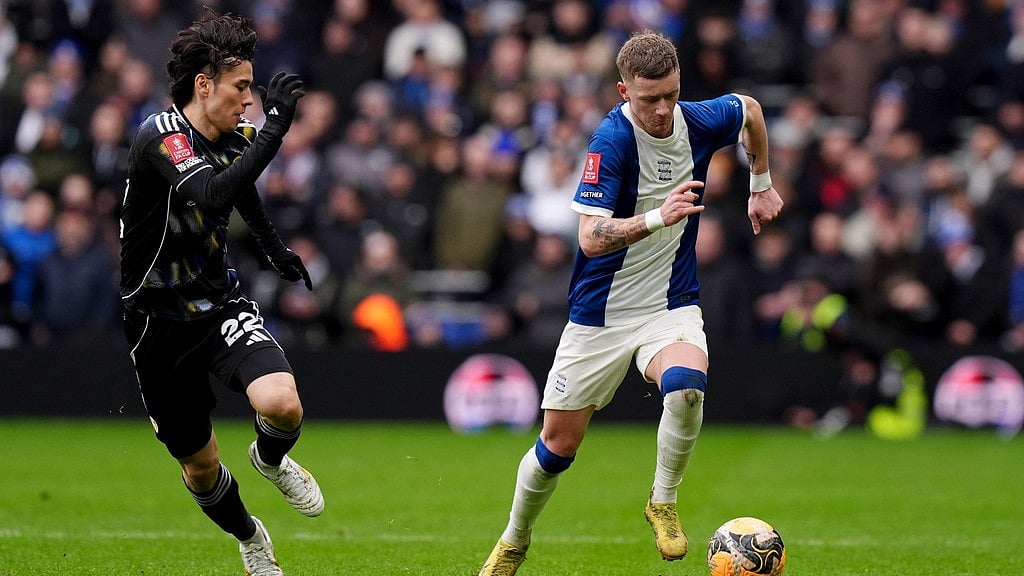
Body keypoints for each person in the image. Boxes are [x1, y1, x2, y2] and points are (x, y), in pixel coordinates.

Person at [477, 31, 784, 575]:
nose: (663, 109)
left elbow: (752, 112)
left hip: (670, 303)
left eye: (671, 95)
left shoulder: (699, 120)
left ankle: (662, 501)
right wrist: (658, 217)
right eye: (649, 99)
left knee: (686, 387)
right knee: (557, 448)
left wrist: (760, 183)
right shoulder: (611, 141)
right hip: (600, 315)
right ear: (624, 92)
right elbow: (590, 238)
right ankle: (514, 539)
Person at [118, 10, 323, 576]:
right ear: (203, 85)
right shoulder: (160, 136)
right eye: (240, 86)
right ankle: (250, 535)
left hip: (217, 304)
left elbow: (242, 192)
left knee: (282, 403)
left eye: (252, 88)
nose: (250, 100)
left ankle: (270, 459)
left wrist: (276, 250)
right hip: (157, 322)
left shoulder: (237, 137)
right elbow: (211, 194)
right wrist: (277, 129)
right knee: (201, 467)